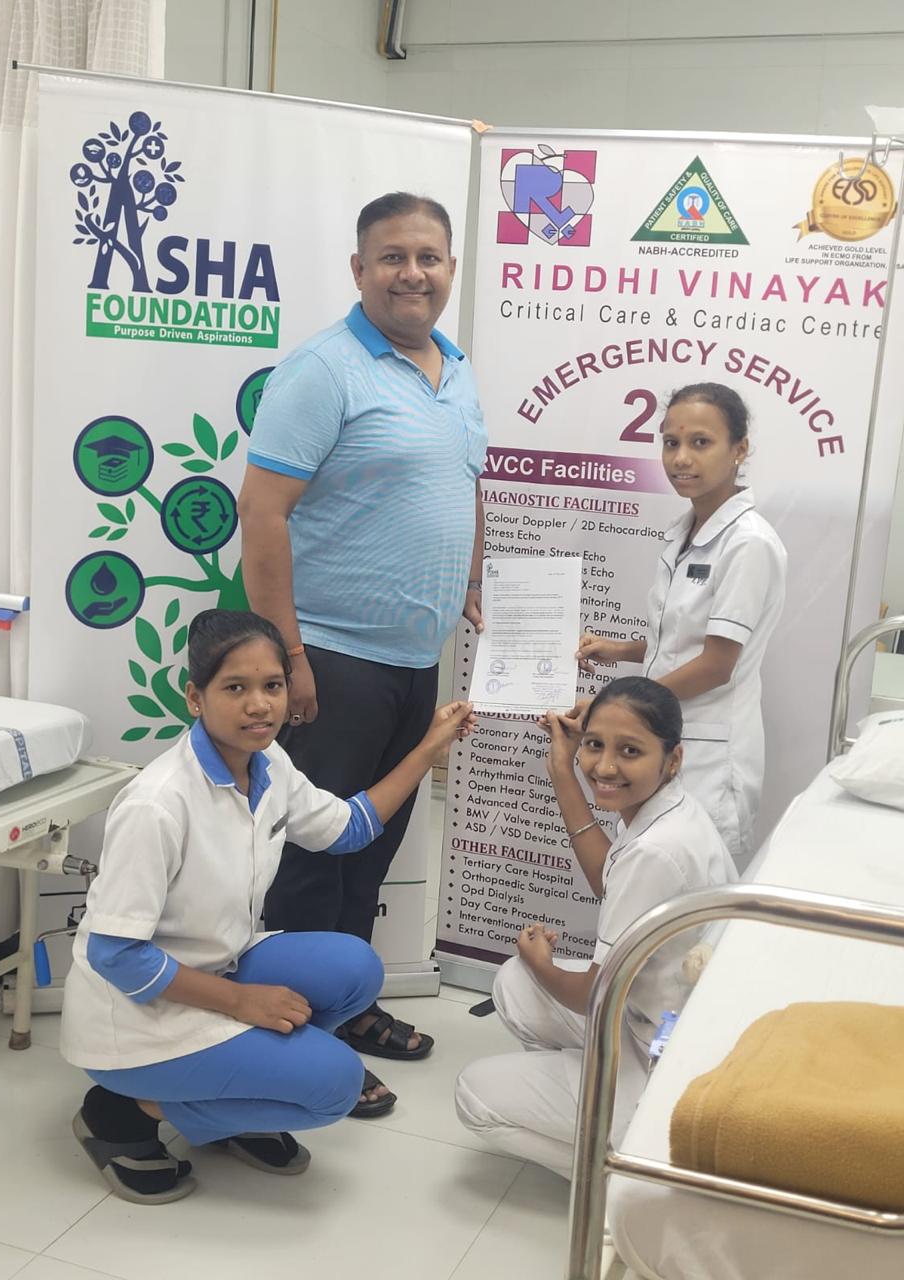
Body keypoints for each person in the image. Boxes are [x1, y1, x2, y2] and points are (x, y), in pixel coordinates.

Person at [60, 610, 475, 1204]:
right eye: (236, 688)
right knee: (336, 1084)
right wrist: (242, 1002)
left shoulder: (269, 763)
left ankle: (230, 1103)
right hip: (135, 1016)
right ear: (195, 698)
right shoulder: (157, 804)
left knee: (355, 967)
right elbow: (117, 956)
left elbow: (348, 829)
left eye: (272, 686)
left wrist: (430, 745)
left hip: (217, 967)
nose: (259, 705)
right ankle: (122, 1111)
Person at [237, 191, 487, 1115]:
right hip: (333, 658)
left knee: (369, 849)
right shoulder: (323, 370)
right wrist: (289, 658)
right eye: (391, 257)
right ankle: (300, 1037)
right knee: (314, 856)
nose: (411, 273)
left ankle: (349, 1005)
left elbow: (461, 486)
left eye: (427, 257)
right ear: (358, 270)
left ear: (450, 269)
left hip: (416, 659)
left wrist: (468, 579)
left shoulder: (454, 370)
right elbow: (261, 518)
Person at [455, 677, 736, 1178]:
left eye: (630, 750)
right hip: (658, 1018)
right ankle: (590, 1103)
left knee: (475, 1096)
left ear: (673, 759)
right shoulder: (672, 809)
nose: (604, 767)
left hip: (665, 1054)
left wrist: (542, 963)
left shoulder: (655, 851)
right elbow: (607, 877)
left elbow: (595, 997)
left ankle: (629, 1172)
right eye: (594, 745)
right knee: (512, 983)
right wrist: (563, 768)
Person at [577, 383, 786, 866]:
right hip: (665, 740)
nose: (681, 458)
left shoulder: (747, 543)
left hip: (709, 757)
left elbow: (716, 663)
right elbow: (680, 637)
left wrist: (617, 710)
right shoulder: (686, 531)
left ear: (740, 449)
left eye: (700, 442)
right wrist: (619, 649)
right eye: (671, 443)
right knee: (650, 873)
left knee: (697, 896)